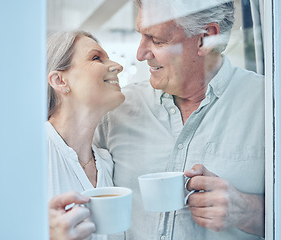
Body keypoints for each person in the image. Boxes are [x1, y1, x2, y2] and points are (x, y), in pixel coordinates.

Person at [94, 0, 265, 239]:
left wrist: (250, 211)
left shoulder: (270, 107)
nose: (140, 53)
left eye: (157, 40)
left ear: (206, 38)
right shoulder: (117, 109)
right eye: (141, 36)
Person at [46, 30, 125, 240]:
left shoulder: (107, 164)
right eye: (96, 57)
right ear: (60, 81)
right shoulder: (31, 151)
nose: (118, 66)